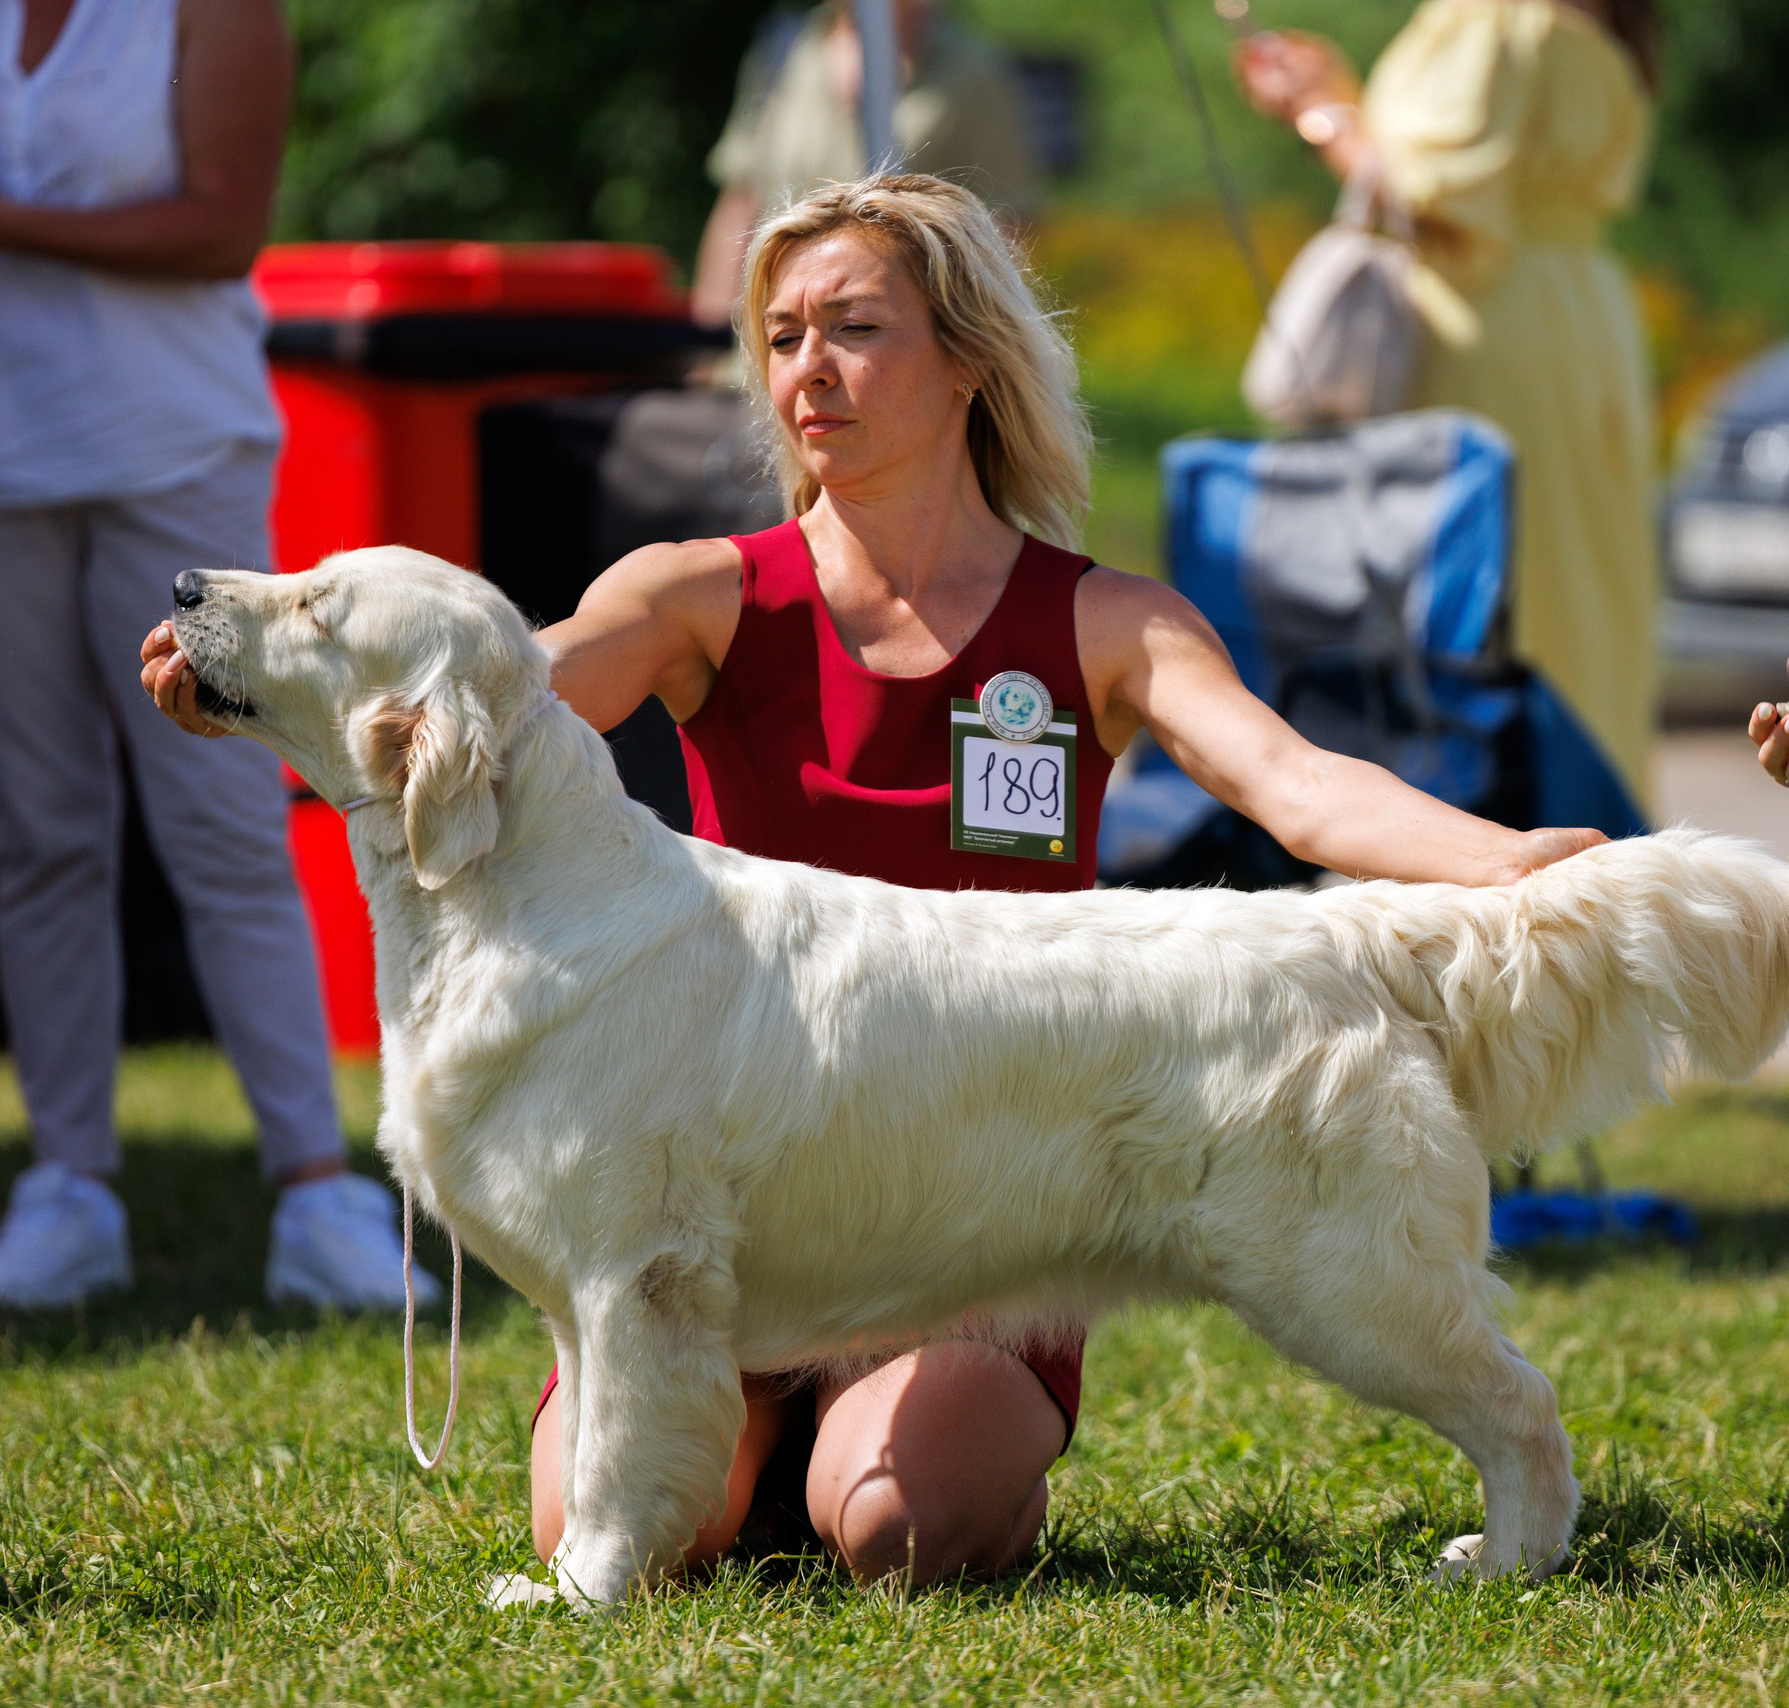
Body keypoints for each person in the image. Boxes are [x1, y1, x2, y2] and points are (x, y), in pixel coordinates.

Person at [147, 172, 1600, 1583]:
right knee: (625, 1539)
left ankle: (881, 1461)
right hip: (715, 1169)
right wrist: (266, 679)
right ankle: (756, 1446)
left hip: (980, 1181)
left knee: (906, 1522)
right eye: (781, 338)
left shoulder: (1104, 620)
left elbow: (1296, 788)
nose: (809, 372)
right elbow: (490, 700)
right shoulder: (696, 591)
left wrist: (1509, 868)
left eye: (854, 328)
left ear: (969, 362)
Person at [0, 0, 429, 1311]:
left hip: (172, 449)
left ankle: (317, 1192)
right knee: (41, 831)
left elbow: (224, 225)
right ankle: (72, 1192)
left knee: (221, 821)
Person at [1234, 0, 1663, 806]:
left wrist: (1317, 113)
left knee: (1500, 595)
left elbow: (1433, 198)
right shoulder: (1594, 23)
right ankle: (1598, 813)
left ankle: (1509, 827)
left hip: (1486, 323)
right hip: (1581, 320)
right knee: (1586, 604)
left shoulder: (1492, 18)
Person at [690, 0, 1044, 330]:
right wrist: (709, 339)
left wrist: (965, 344)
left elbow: (1003, 229)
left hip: (897, 354)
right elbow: (743, 201)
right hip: (774, 346)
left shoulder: (974, 72)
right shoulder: (786, 49)